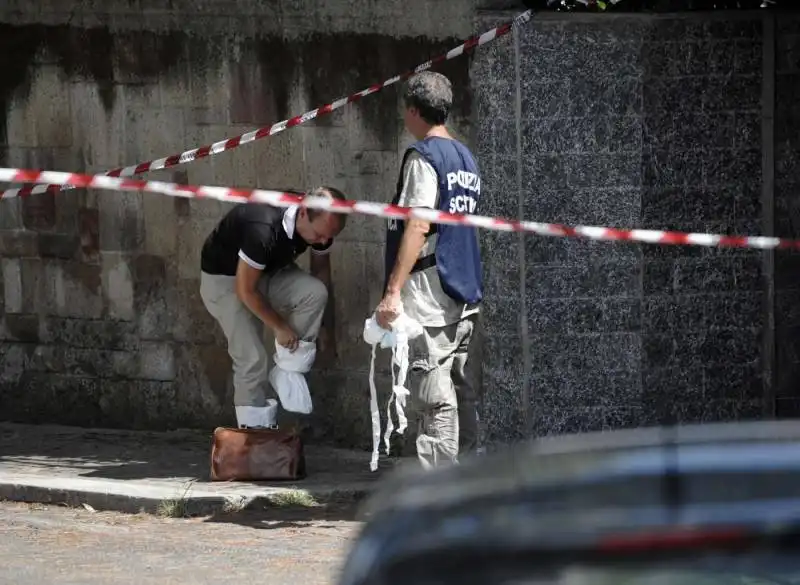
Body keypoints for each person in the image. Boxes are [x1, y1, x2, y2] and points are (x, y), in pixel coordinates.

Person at [375, 71, 483, 470]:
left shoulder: (425, 157)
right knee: (460, 391)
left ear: (414, 110)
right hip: (463, 292)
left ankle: (440, 498)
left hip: (430, 295)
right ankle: (471, 482)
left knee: (434, 397)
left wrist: (392, 292)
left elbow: (418, 225)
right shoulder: (465, 157)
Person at [199, 187, 347, 429]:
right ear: (302, 214)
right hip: (225, 279)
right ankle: (253, 438)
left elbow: (321, 274)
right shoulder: (263, 226)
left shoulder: (322, 225)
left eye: (328, 237)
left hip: (268, 270)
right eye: (319, 235)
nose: (323, 241)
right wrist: (279, 327)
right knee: (251, 358)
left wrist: (326, 328)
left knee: (314, 293)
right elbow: (245, 289)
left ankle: (286, 369)